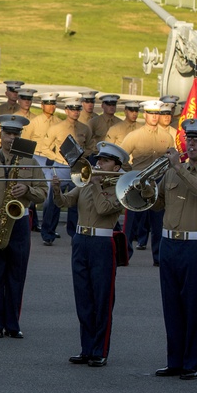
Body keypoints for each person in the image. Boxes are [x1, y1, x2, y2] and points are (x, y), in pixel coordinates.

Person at [153, 119, 197, 381]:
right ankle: (174, 361)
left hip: (196, 246)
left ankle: (192, 363)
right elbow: (157, 203)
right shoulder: (173, 171)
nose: (191, 143)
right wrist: (140, 191)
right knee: (171, 306)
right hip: (169, 243)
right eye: (188, 138)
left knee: (193, 306)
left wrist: (178, 169)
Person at [52, 142, 127, 367]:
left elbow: (105, 209)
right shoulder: (86, 181)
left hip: (103, 242)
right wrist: (56, 189)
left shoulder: (122, 187)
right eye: (98, 159)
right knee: (83, 298)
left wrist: (94, 185)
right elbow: (65, 202)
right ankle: (86, 348)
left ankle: (100, 350)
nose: (98, 164)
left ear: (116, 167)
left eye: (104, 161)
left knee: (102, 298)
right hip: (81, 240)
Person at [0, 115, 47, 339]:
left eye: (16, 134)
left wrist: (27, 191)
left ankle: (13, 324)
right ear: (0, 134)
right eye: (8, 134)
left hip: (19, 221)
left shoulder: (30, 162)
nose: (11, 138)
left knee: (16, 275)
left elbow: (43, 194)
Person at [120, 100, 173, 266]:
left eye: (157, 113)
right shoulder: (135, 135)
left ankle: (158, 257)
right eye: (151, 113)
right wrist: (130, 173)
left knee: (158, 222)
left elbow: (171, 159)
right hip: (137, 181)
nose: (155, 116)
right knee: (130, 222)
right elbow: (121, 156)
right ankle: (124, 255)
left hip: (157, 182)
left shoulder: (167, 137)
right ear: (145, 115)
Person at [39, 97, 92, 245]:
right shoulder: (57, 128)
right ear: (67, 110)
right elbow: (45, 147)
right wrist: (57, 157)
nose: (75, 112)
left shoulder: (85, 128)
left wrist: (82, 154)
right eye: (72, 109)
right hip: (61, 166)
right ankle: (48, 234)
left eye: (77, 109)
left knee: (76, 202)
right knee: (53, 201)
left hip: (77, 167)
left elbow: (91, 147)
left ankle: (75, 234)